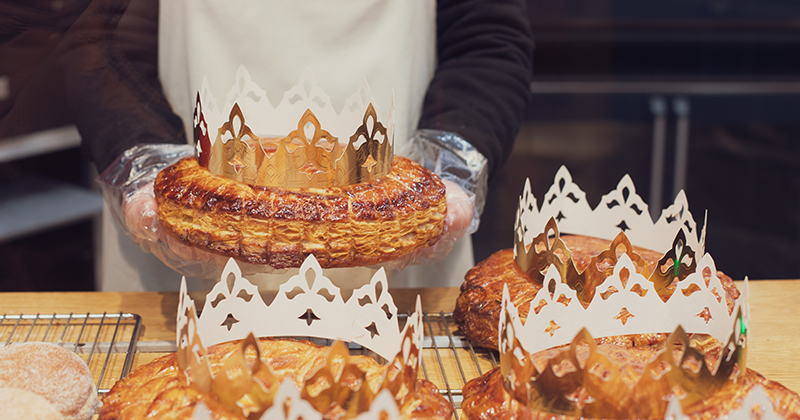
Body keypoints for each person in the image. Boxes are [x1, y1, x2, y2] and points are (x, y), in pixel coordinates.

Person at [2, 0, 533, 290]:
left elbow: (486, 35)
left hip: (395, 268)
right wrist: (142, 161)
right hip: (177, 264)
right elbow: (98, 34)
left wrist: (454, 163)